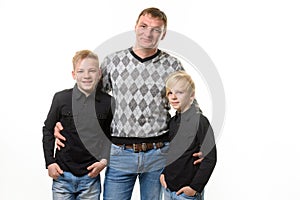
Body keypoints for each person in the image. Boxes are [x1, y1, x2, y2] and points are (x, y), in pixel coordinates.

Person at [54, 7, 204, 200]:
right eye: (144, 26)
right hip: (119, 154)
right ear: (135, 27)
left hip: (158, 153)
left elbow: (190, 103)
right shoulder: (113, 62)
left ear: (163, 34)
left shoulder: (172, 65)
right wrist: (63, 123)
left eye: (156, 29)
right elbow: (89, 97)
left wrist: (200, 141)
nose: (148, 33)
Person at [42, 50, 114, 200]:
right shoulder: (61, 99)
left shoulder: (108, 102)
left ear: (99, 73)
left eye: (92, 71)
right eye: (81, 71)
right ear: (74, 74)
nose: (86, 76)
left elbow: (110, 135)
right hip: (62, 175)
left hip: (90, 177)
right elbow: (48, 130)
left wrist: (103, 160)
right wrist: (50, 162)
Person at [160, 71, 217, 200]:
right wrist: (164, 174)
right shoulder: (173, 122)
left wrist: (194, 188)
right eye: (170, 93)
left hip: (187, 193)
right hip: (168, 190)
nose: (173, 97)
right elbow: (170, 153)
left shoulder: (200, 121)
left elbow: (210, 158)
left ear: (191, 96)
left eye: (180, 92)